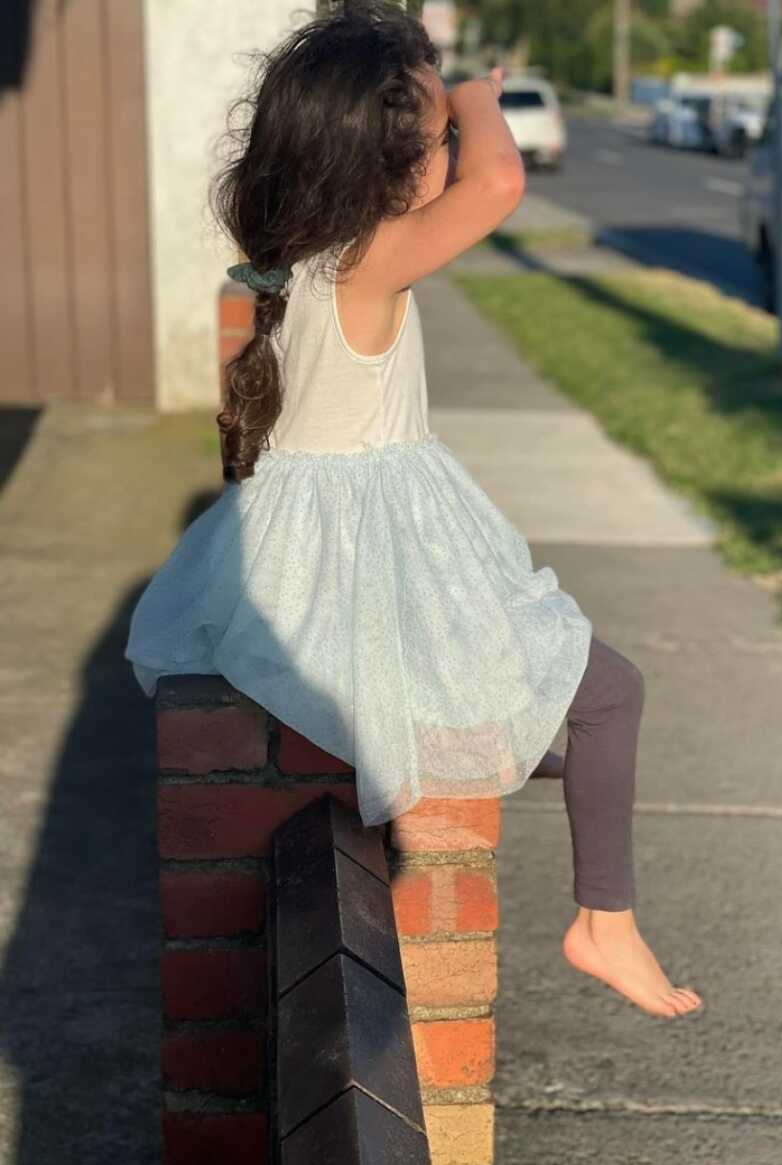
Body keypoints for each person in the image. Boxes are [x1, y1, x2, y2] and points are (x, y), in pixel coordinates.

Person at [124, 0, 703, 1020]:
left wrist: (424, 95)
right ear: (397, 166)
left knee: (545, 712)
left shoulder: (297, 256)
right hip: (378, 550)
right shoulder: (367, 260)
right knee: (609, 694)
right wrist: (468, 77)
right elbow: (504, 179)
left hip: (323, 556)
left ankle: (556, 804)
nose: (452, 149)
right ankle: (602, 921)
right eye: (436, 139)